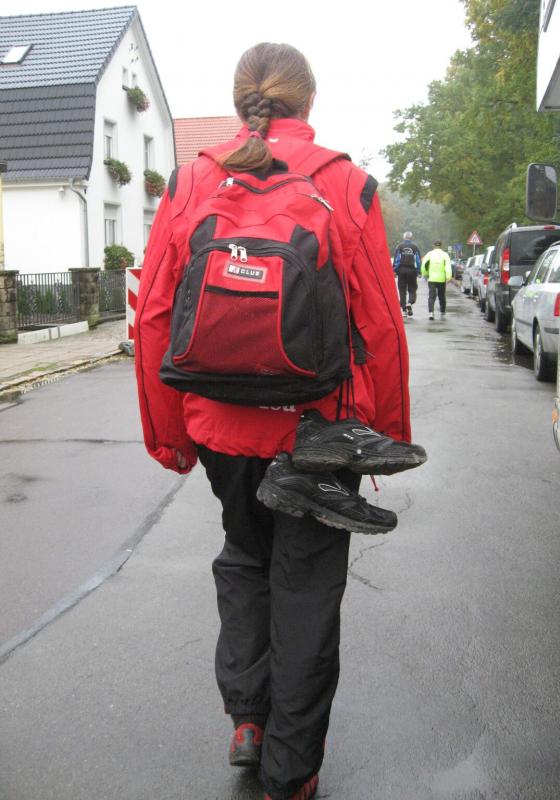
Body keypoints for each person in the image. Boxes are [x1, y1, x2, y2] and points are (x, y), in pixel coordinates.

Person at [134, 42, 412, 800]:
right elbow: (381, 322)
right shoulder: (344, 183)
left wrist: (169, 435)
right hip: (318, 433)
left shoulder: (193, 180)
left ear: (241, 103)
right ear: (308, 103)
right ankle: (291, 772)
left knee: (244, 557)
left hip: (220, 428)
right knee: (307, 586)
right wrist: (383, 439)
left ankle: (249, 721)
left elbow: (154, 312)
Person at [421, 239, 452, 320]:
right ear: (441, 246)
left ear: (434, 245)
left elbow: (424, 265)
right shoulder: (445, 254)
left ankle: (431, 313)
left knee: (431, 296)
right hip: (441, 279)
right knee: (441, 296)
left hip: (432, 279)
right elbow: (448, 266)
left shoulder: (429, 254)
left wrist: (425, 274)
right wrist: (448, 276)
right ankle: (442, 310)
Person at [392, 231, 421, 317]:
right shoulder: (415, 247)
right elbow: (418, 260)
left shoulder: (399, 246)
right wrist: (418, 271)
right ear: (411, 237)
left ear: (404, 237)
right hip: (412, 270)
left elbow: (397, 260)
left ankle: (404, 310)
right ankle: (410, 303)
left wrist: (395, 270)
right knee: (412, 289)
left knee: (402, 290)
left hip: (401, 270)